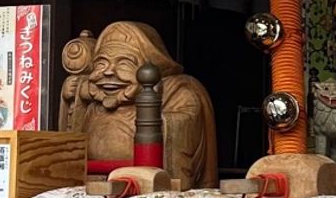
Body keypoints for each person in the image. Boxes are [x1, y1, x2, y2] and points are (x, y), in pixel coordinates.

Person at [59, 20, 217, 188]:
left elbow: (186, 128)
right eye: (101, 63)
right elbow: (69, 143)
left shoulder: (176, 90)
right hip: (94, 184)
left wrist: (151, 112)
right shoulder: (94, 101)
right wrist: (73, 99)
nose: (108, 71)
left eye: (124, 63)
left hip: (147, 184)